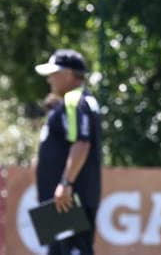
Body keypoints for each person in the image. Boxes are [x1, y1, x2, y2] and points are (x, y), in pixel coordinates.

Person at [34, 49, 102, 255]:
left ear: (68, 74)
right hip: (66, 197)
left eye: (53, 73)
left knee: (72, 251)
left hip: (69, 198)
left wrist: (66, 183)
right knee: (62, 251)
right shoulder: (77, 100)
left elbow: (82, 143)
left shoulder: (74, 100)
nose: (49, 80)